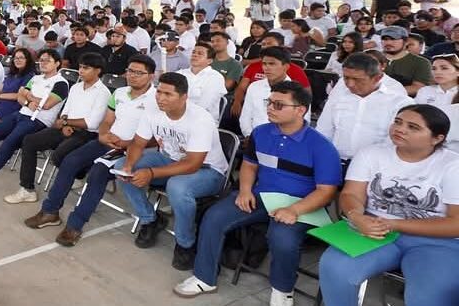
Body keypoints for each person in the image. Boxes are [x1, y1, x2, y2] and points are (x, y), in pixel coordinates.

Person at [175, 82, 340, 305]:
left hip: (302, 205)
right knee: (214, 216)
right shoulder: (261, 133)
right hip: (262, 197)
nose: (270, 108)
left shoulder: (321, 147)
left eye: (278, 105)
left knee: (282, 238)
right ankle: (204, 277)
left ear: (300, 110)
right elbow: (250, 166)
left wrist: (294, 210)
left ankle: (282, 291)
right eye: (269, 102)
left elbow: (326, 192)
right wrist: (244, 191)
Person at [319, 105, 459, 306]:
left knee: (429, 295)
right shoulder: (371, 154)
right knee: (335, 268)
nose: (400, 129)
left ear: (437, 138)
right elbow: (351, 194)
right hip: (372, 231)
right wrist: (356, 217)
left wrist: (392, 224)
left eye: (413, 127)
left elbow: (455, 224)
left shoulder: (453, 165)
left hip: (435, 241)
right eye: (398, 122)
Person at [27, 55, 158, 245]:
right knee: (70, 161)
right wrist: (103, 134)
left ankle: (75, 225)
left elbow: (158, 137)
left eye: (139, 73)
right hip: (108, 141)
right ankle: (50, 211)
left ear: (151, 76)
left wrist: (128, 143)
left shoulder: (157, 99)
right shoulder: (120, 92)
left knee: (98, 173)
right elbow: (107, 120)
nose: (132, 75)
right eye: (130, 71)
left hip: (133, 149)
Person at [116, 72, 229, 269]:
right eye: (159, 92)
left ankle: (186, 243)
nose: (161, 98)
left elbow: (193, 163)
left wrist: (151, 173)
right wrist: (128, 166)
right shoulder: (152, 110)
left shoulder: (200, 118)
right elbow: (138, 143)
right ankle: (150, 220)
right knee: (121, 167)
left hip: (208, 170)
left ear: (184, 97)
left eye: (168, 94)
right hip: (169, 159)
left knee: (177, 187)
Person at [3, 53, 110, 204]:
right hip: (67, 127)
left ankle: (80, 173)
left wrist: (66, 122)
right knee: (29, 141)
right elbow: (66, 110)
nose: (80, 71)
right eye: (80, 67)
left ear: (98, 70)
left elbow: (92, 123)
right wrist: (65, 122)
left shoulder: (103, 93)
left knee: (59, 155)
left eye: (86, 68)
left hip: (86, 134)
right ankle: (27, 189)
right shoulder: (76, 87)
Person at [0, 48, 68, 191]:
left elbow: (47, 104)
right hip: (20, 113)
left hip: (38, 120)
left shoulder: (61, 83)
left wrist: (28, 96)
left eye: (47, 60)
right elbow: (20, 97)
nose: (43, 63)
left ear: (57, 63)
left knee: (9, 142)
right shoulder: (36, 79)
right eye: (41, 60)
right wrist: (29, 101)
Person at [316, 53, 415, 163]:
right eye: (346, 78)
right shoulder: (338, 98)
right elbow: (323, 132)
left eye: (357, 79)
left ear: (377, 78)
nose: (350, 84)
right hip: (336, 161)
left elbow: (396, 141)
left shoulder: (399, 103)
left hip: (378, 164)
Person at [238, 47, 302, 136]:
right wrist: (249, 136)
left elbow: (300, 123)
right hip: (254, 137)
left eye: (272, 64)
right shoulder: (254, 87)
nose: (266, 68)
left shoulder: (297, 91)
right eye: (264, 64)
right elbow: (245, 117)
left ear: (286, 67)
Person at [414, 53, 458, 152]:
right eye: (434, 69)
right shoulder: (425, 91)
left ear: (457, 71)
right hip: (426, 143)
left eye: (444, 68)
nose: (437, 72)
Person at [177, 42, 227, 124]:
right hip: (176, 117)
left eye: (200, 54)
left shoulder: (215, 77)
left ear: (209, 61)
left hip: (202, 121)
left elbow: (204, 105)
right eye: (193, 52)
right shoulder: (180, 73)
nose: (195, 55)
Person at [379, 26, 432, 96]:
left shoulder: (421, 62)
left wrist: (385, 92)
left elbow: (419, 88)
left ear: (406, 42)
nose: (388, 42)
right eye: (385, 39)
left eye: (393, 39)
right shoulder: (371, 59)